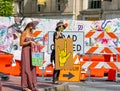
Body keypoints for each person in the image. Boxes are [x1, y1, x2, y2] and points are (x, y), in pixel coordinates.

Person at [20, 18, 39, 91]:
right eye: (30, 24)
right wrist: (30, 42)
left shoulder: (32, 33)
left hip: (32, 52)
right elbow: (21, 43)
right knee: (26, 68)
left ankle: (33, 85)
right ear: (27, 25)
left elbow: (33, 42)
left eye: (32, 24)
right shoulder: (24, 32)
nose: (32, 25)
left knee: (32, 68)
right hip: (25, 51)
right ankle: (25, 86)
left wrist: (36, 43)